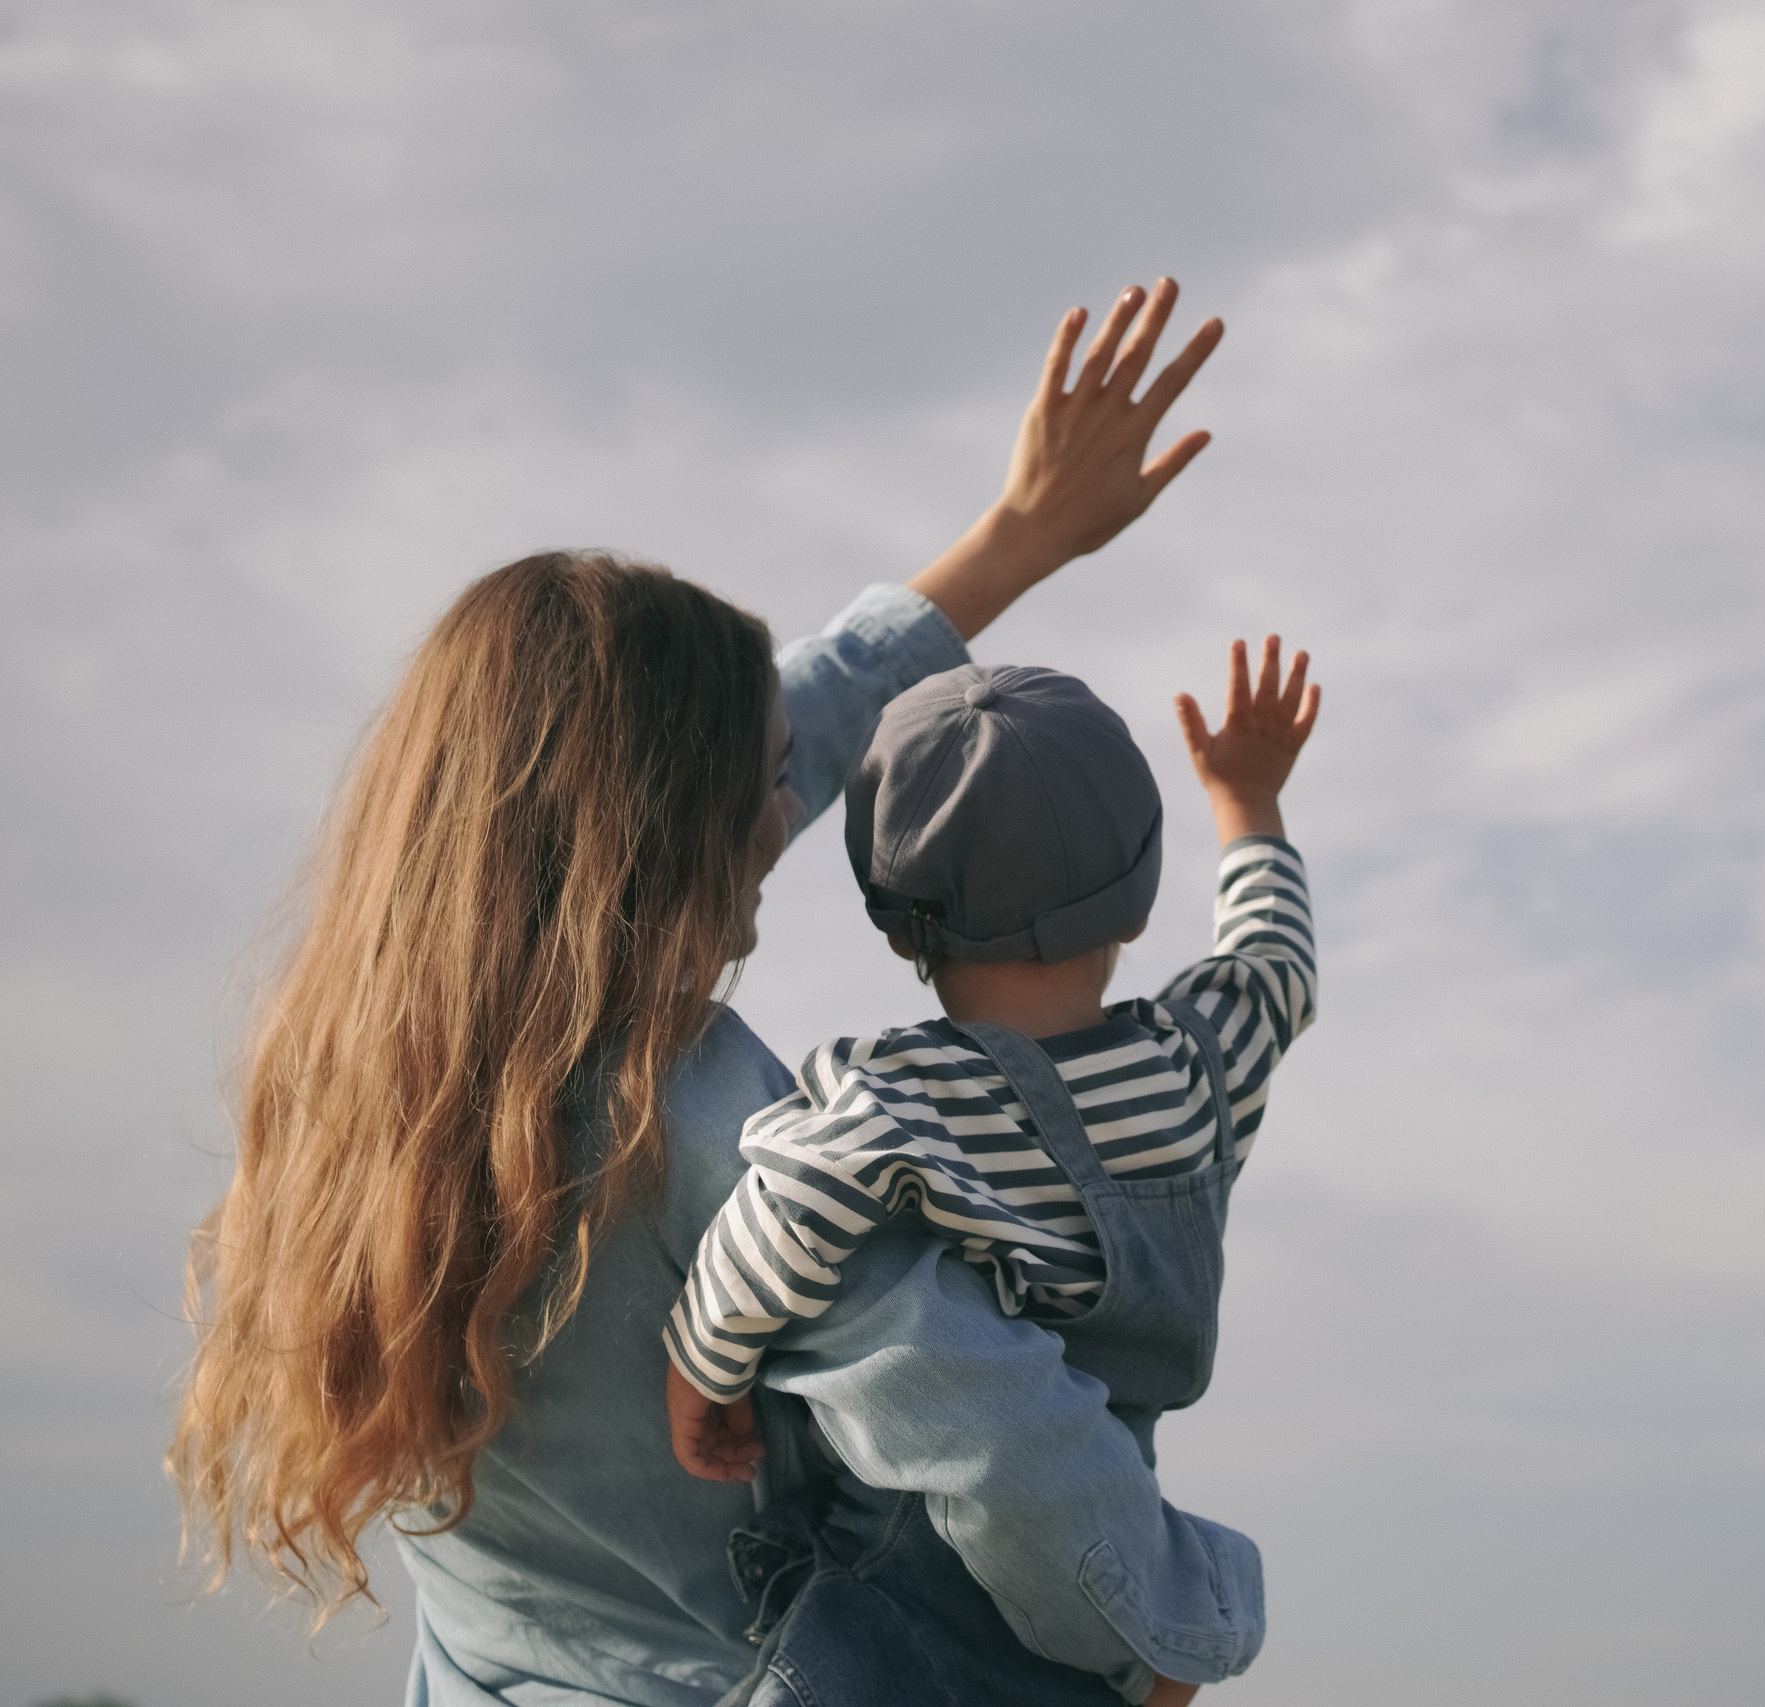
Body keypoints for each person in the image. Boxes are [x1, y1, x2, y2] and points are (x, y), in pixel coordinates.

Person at [169, 280, 1250, 1707]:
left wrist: (1014, 540)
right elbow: (984, 1424)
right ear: (664, 832)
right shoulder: (711, 1126)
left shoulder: (356, 1073)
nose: (792, 803)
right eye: (769, 788)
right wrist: (1161, 1629)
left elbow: (788, 707)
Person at [657, 639, 1319, 1702]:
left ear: (895, 926)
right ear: (1137, 903)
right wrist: (1247, 801)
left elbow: (786, 1204)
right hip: (1109, 1533)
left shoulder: (903, 1096)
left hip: (912, 1580)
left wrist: (703, 1364)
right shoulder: (1203, 1064)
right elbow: (1274, 959)